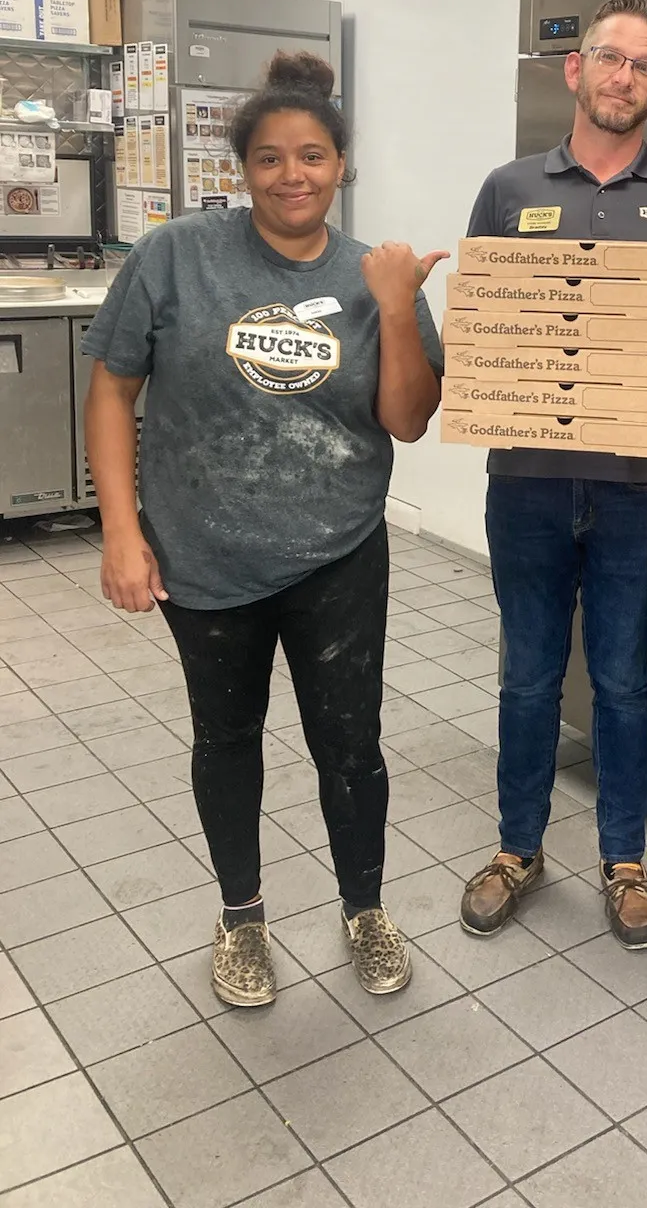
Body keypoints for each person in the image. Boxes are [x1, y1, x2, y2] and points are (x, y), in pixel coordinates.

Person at [84, 51, 446, 1008]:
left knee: (349, 743)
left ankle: (364, 910)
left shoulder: (374, 275)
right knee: (227, 738)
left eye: (315, 157)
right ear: (241, 170)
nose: (295, 176)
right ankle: (240, 918)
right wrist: (122, 530)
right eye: (273, 159)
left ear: (341, 166)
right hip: (204, 556)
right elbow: (113, 391)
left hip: (337, 552)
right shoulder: (176, 256)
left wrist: (402, 311)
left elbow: (407, 420)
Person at [459, 0, 647, 950]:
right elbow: (486, 323)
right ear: (574, 70)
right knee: (530, 674)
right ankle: (517, 850)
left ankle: (626, 860)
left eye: (645, 65)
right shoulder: (507, 190)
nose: (625, 76)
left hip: (638, 484)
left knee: (623, 677)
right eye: (609, 57)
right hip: (528, 479)